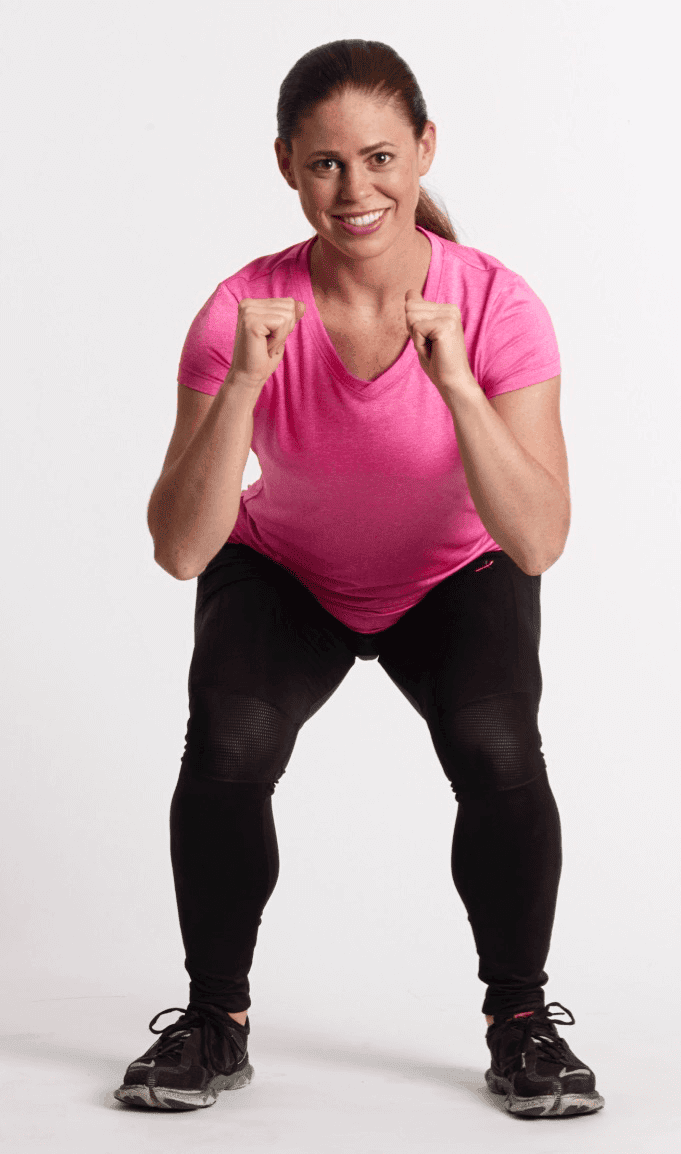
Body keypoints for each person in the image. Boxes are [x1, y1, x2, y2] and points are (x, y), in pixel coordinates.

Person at [114, 39, 604, 1120]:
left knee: (496, 741)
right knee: (230, 737)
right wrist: (245, 377)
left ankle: (521, 1022)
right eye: (326, 163)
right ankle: (214, 1021)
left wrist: (461, 387)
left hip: (455, 570)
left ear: (425, 151)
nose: (356, 188)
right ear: (287, 165)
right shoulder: (242, 310)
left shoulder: (499, 306)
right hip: (288, 568)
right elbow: (182, 546)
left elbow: (536, 541)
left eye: (381, 157)